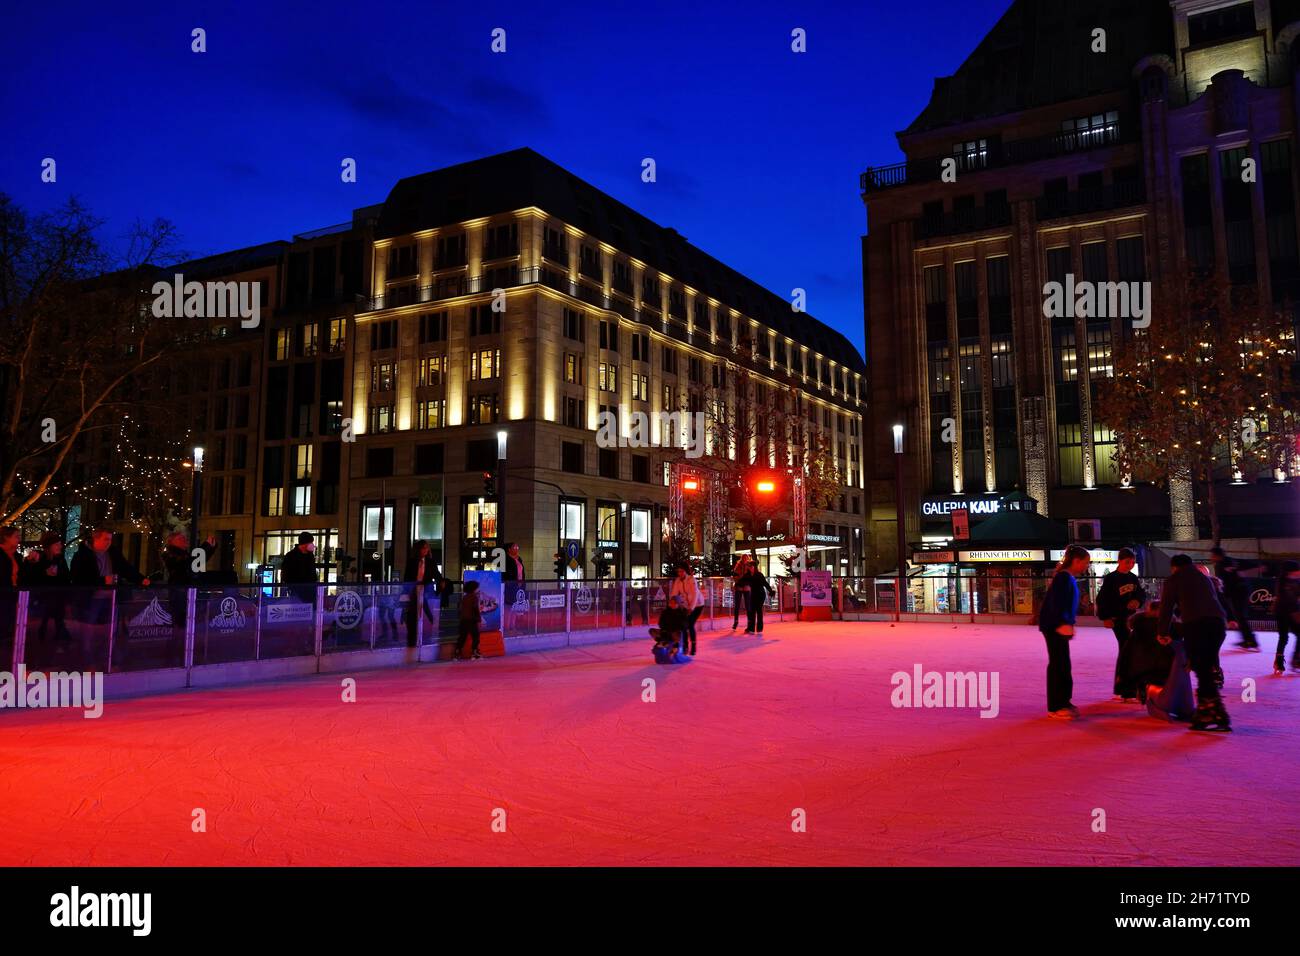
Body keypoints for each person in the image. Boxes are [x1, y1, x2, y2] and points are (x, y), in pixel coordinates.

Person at [1158, 554, 1233, 732]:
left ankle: (1215, 713)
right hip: (1217, 626)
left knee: (1202, 669)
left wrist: (1162, 632)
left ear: (1174, 567)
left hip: (1196, 626)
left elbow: (1166, 608)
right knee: (1205, 669)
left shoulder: (1173, 580)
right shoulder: (1204, 578)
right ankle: (1209, 712)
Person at [1037, 545, 1090, 720]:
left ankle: (1064, 701)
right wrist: (1062, 623)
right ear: (1076, 561)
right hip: (1054, 626)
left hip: (1057, 625)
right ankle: (1056, 705)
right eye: (1085, 562)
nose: (1086, 566)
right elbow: (1057, 604)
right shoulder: (1063, 578)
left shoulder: (1067, 578)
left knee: (1063, 664)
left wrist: (1068, 623)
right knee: (1058, 664)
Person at [1126, 601, 1195, 721]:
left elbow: (1127, 654)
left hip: (1144, 671)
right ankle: (1154, 695)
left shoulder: (1139, 627)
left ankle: (1152, 693)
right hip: (1161, 670)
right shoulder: (1172, 627)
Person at [1095, 547, 1147, 700]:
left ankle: (1124, 688)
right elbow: (1101, 599)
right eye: (1127, 561)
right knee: (1126, 649)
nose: (1130, 564)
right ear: (1119, 561)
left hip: (1130, 619)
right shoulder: (1111, 578)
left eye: (1132, 562)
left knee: (1128, 650)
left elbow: (1140, 593)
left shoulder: (1132, 577)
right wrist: (1105, 617)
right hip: (1117, 619)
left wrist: (1137, 601)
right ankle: (1125, 689)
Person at [21, 531, 71, 644]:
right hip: (43, 600)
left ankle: (57, 639)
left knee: (57, 620)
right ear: (49, 546)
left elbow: (66, 577)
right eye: (57, 544)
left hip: (58, 598)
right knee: (45, 620)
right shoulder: (38, 559)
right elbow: (29, 579)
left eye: (60, 543)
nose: (60, 546)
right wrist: (44, 573)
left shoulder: (60, 559)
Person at [1210, 547, 1258, 649]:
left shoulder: (1224, 563)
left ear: (1217, 555)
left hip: (1237, 593)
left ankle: (1251, 640)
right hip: (1239, 592)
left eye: (1212, 555)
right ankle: (1247, 639)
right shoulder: (1228, 561)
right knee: (1240, 617)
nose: (1211, 557)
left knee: (1241, 617)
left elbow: (1228, 580)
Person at [403, 540, 440, 647]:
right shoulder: (412, 561)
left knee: (424, 611)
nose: (425, 550)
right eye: (423, 548)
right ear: (418, 549)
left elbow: (436, 575)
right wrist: (407, 591)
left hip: (425, 591)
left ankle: (426, 635)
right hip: (414, 591)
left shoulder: (431, 562)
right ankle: (412, 640)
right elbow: (407, 578)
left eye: (426, 548)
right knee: (413, 615)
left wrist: (441, 582)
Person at [1270, 559, 1300, 675]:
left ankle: (1296, 660)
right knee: (1284, 637)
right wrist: (1296, 614)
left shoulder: (1297, 581)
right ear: (1290, 572)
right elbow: (1287, 601)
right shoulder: (1282, 583)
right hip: (1282, 612)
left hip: (1293, 611)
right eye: (1297, 570)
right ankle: (1279, 661)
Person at [669, 562, 702, 655]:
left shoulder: (691, 580)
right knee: (683, 625)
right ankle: (685, 646)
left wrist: (691, 608)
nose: (680, 573)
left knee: (690, 624)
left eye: (682, 571)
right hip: (686, 605)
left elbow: (695, 594)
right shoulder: (678, 581)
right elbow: (674, 594)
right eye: (678, 572)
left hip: (698, 605)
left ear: (685, 571)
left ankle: (694, 646)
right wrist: (671, 604)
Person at [650, 595, 692, 664]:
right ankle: (663, 642)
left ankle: (674, 646)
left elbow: (684, 625)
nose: (672, 604)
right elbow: (661, 623)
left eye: (674, 603)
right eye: (671, 603)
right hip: (666, 632)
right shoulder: (666, 612)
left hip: (676, 632)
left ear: (678, 604)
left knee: (678, 634)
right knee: (652, 631)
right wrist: (665, 629)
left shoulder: (683, 612)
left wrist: (674, 627)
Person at [279, 532, 319, 603]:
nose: (312, 544)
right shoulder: (290, 556)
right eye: (311, 542)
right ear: (305, 543)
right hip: (296, 592)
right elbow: (285, 574)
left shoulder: (310, 555)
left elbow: (312, 573)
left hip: (310, 592)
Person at [454, 579, 482, 660]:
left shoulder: (464, 597)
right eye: (477, 588)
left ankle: (457, 653)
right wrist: (479, 620)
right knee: (475, 636)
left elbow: (460, 609)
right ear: (474, 589)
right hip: (472, 620)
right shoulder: (474, 597)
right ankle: (474, 652)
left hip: (463, 620)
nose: (478, 589)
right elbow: (475, 609)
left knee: (462, 637)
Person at [745, 562, 771, 635]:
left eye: (751, 566)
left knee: (759, 611)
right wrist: (737, 584)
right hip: (753, 595)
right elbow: (742, 580)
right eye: (749, 567)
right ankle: (751, 629)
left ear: (754, 567)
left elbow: (765, 583)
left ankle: (759, 629)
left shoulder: (759, 575)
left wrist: (771, 591)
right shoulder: (748, 575)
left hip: (760, 594)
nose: (750, 568)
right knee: (752, 612)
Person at [731, 555, 752, 629]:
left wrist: (749, 584)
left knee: (748, 606)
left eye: (746, 558)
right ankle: (736, 621)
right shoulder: (738, 565)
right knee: (737, 606)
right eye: (743, 558)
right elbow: (734, 575)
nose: (745, 559)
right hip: (739, 586)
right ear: (741, 558)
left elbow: (751, 575)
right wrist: (738, 579)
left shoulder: (749, 566)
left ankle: (749, 622)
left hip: (746, 587)